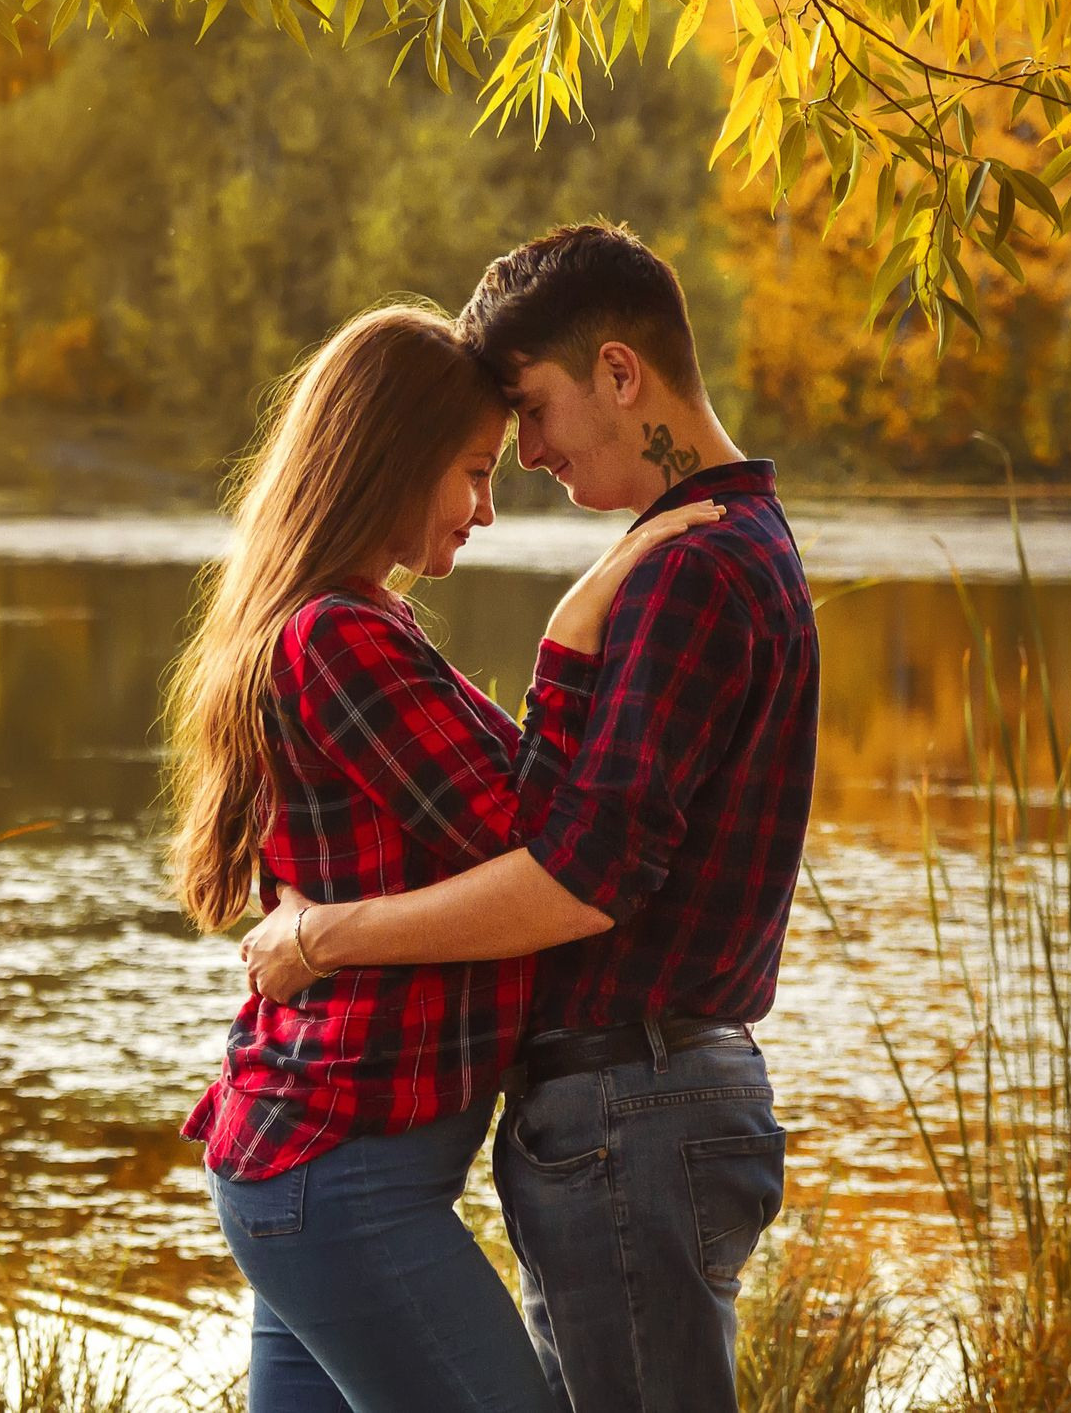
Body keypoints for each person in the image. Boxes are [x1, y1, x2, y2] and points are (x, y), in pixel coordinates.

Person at [243, 224, 821, 1413]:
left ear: (620, 371)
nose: (529, 452)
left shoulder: (684, 572)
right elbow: (560, 829)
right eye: (488, 450)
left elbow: (572, 874)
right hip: (636, 1097)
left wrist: (324, 935)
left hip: (637, 1096)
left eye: (534, 412)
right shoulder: (712, 549)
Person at [170, 301, 720, 1413]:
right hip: (342, 1183)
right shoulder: (340, 636)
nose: (482, 509)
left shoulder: (347, 620)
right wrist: (571, 631)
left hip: (307, 1174)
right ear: (389, 458)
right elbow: (543, 835)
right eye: (470, 471)